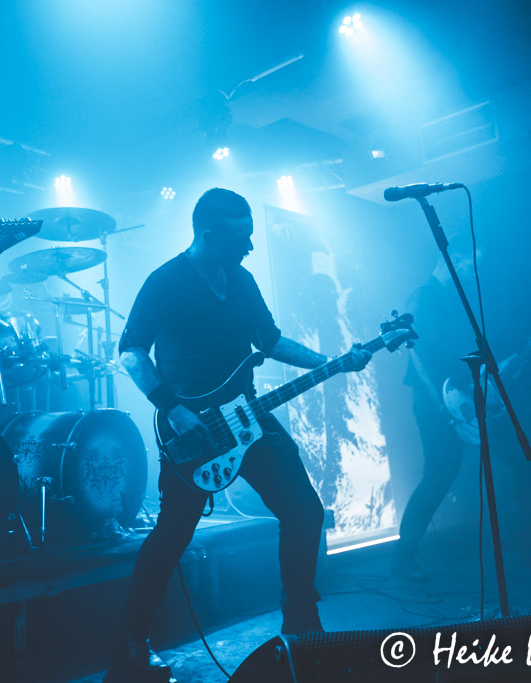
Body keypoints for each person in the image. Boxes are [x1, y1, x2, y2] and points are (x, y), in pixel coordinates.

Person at [110, 188, 372, 680]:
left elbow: (270, 342)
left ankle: (301, 626)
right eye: (239, 238)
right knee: (173, 533)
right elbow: (130, 352)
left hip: (246, 415)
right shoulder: (165, 281)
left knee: (304, 511)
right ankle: (130, 639)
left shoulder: (241, 279)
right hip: (190, 429)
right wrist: (172, 408)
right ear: (207, 234)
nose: (249, 246)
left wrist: (333, 363)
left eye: (250, 236)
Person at [391, 255, 473, 580]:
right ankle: (403, 557)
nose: (472, 271)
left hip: (451, 398)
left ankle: (407, 555)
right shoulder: (423, 297)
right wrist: (442, 404)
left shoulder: (445, 298)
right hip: (434, 401)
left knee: (444, 473)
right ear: (454, 260)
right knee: (438, 475)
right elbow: (419, 354)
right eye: (470, 264)